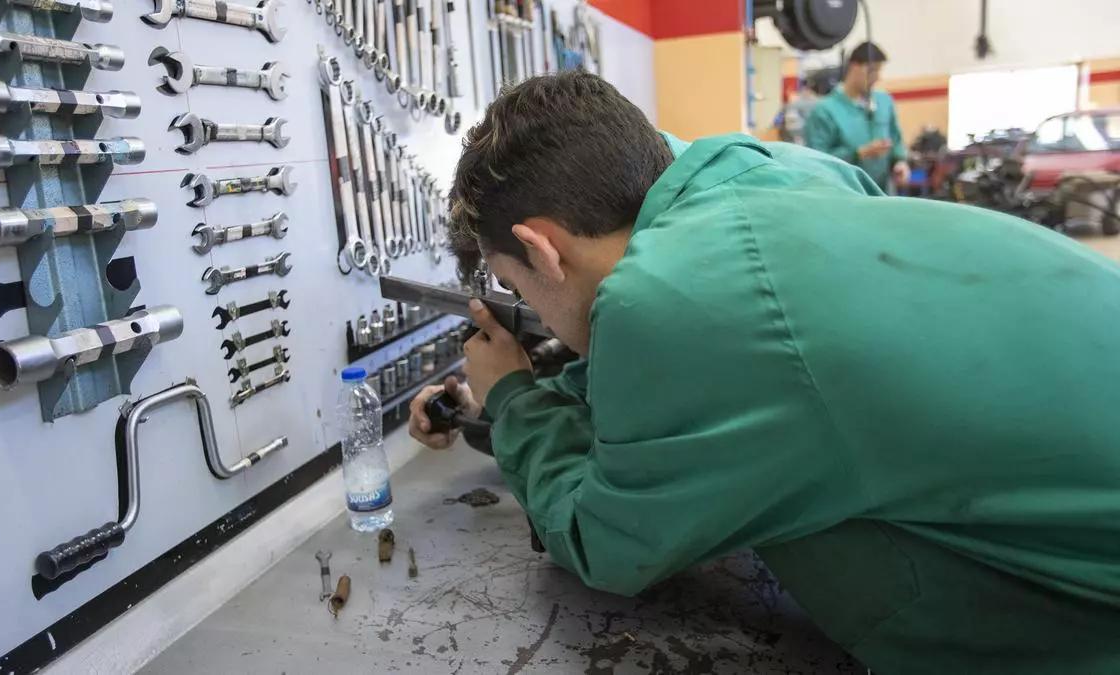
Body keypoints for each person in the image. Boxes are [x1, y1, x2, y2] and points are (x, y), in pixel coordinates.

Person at [408, 70, 1120, 673]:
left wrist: (515, 397)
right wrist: (496, 396)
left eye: (516, 283)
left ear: (542, 247)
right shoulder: (780, 172)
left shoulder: (665, 298)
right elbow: (753, 379)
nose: (524, 303)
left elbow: (607, 540)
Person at [805, 41, 910, 191]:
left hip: (883, 194)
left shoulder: (884, 102)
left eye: (879, 71)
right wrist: (857, 154)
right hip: (845, 194)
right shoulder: (825, 111)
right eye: (872, 71)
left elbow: (895, 138)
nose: (877, 77)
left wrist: (900, 163)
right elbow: (816, 159)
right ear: (854, 67)